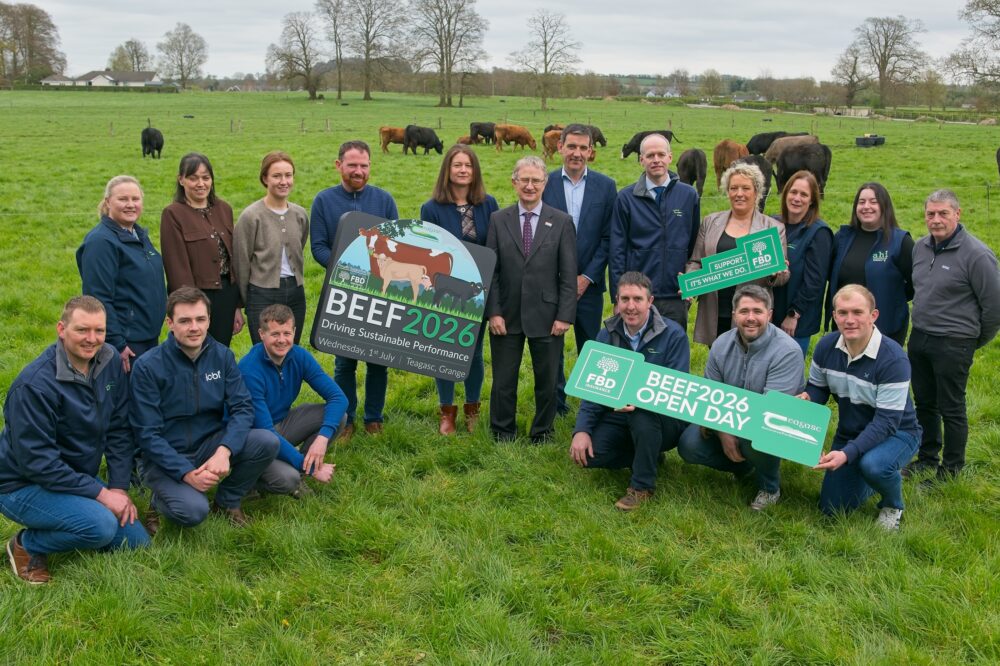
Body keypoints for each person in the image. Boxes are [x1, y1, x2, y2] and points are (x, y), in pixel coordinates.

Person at [0, 296, 149, 584]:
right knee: (102, 527)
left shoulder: (109, 362)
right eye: (82, 330)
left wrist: (117, 487)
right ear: (61, 329)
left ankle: (77, 519)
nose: (92, 339)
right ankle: (26, 545)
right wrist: (102, 495)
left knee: (135, 542)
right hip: (21, 483)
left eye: (99, 331)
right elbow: (39, 464)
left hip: (75, 474)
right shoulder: (33, 386)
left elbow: (119, 430)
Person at [130, 288, 279, 532]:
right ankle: (157, 499)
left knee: (266, 441)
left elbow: (242, 408)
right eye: (185, 321)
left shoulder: (222, 356)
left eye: (200, 319)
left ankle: (227, 501)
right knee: (193, 512)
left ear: (209, 320)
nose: (194, 327)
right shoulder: (148, 367)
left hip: (210, 444)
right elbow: (147, 435)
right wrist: (185, 472)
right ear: (170, 323)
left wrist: (224, 450)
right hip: (165, 454)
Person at [798, 285, 920, 530]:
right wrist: (807, 398)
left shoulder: (893, 359)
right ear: (834, 317)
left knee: (874, 465)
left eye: (857, 312)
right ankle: (870, 473)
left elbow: (886, 422)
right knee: (831, 509)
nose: (850, 320)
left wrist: (846, 454)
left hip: (898, 432)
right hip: (850, 430)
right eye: (842, 313)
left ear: (873, 316)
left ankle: (892, 504)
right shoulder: (825, 347)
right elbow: (819, 388)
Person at [677, 285, 804, 511]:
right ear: (734, 314)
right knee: (689, 445)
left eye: (758, 311)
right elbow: (710, 396)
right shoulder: (720, 344)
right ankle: (744, 467)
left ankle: (769, 486)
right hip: (728, 420)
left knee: (755, 439)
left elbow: (771, 413)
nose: (751, 318)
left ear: (770, 314)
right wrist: (722, 431)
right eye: (744, 311)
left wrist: (729, 428)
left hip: (770, 425)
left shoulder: (788, 351)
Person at [570, 272, 689, 510]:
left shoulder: (674, 335)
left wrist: (640, 399)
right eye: (625, 299)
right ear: (616, 300)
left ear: (650, 301)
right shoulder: (607, 334)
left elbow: (677, 389)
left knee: (642, 416)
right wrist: (581, 430)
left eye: (638, 299)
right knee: (590, 457)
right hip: (619, 414)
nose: (631, 306)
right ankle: (648, 456)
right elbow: (593, 389)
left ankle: (641, 486)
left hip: (660, 416)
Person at [903, 189, 1000, 483]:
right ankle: (928, 457)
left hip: (954, 342)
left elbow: (994, 307)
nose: (936, 220)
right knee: (925, 402)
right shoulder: (919, 248)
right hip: (919, 337)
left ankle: (952, 469)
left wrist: (969, 341)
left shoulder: (977, 255)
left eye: (943, 213)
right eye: (930, 214)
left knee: (952, 407)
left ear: (957, 214)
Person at [310, 141, 399, 439]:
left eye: (364, 165)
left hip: (379, 292)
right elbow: (318, 247)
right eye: (352, 165)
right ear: (339, 166)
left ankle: (374, 417)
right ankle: (346, 420)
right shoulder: (323, 201)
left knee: (378, 360)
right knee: (344, 362)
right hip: (342, 291)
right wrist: (346, 270)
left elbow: (395, 246)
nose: (358, 171)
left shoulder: (384, 200)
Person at [486, 156, 577, 442]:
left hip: (548, 314)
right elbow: (492, 271)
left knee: (547, 380)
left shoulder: (561, 221)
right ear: (514, 182)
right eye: (523, 180)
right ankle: (502, 430)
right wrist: (493, 312)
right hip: (507, 313)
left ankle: (542, 431)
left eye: (535, 180)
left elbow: (568, 272)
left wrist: (565, 315)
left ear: (544, 184)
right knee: (503, 379)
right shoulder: (498, 220)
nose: (529, 186)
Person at [419, 145, 499, 434]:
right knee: (445, 350)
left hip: (477, 291)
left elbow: (495, 247)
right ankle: (447, 411)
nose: (463, 170)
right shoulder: (431, 208)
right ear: (447, 171)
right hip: (445, 287)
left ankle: (473, 409)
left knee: (474, 353)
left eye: (468, 165)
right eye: (457, 165)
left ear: (474, 171)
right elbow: (429, 251)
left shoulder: (489, 204)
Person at [542, 124, 618, 416]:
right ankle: (556, 404)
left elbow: (609, 237)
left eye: (582, 148)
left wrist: (587, 277)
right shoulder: (544, 184)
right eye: (570, 146)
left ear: (591, 151)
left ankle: (593, 405)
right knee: (553, 348)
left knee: (591, 346)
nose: (576, 153)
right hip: (550, 283)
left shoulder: (606, 186)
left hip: (590, 283)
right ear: (559, 147)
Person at [239, 304, 347, 497]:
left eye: (287, 333)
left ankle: (301, 468)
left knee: (338, 417)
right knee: (288, 479)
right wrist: (312, 469)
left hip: (282, 424)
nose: (282, 340)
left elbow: (338, 397)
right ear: (261, 334)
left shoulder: (299, 356)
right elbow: (265, 430)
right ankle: (247, 482)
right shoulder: (249, 370)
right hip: (254, 438)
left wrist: (322, 439)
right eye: (275, 334)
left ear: (295, 332)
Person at [685, 163, 789, 347]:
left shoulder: (772, 228)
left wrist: (776, 274)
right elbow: (696, 261)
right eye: (733, 188)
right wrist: (692, 279)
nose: (739, 193)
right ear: (727, 191)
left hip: (751, 314)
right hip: (716, 311)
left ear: (756, 192)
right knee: (717, 365)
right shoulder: (710, 222)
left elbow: (782, 275)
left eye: (745, 188)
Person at [609, 133, 700, 330]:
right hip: (637, 295)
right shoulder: (626, 198)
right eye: (650, 156)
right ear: (641, 160)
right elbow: (617, 250)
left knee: (672, 354)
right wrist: (618, 298)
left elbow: (694, 245)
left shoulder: (688, 195)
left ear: (670, 157)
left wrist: (691, 283)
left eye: (661, 154)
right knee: (636, 354)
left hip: (675, 294)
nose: (656, 160)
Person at [77, 175, 166, 372]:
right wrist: (117, 343)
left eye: (135, 199)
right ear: (108, 202)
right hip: (127, 343)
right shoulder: (101, 242)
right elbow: (98, 297)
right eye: (123, 199)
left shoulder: (138, 235)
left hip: (148, 336)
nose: (130, 204)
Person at [160, 152, 244, 347]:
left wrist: (236, 306)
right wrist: (190, 308)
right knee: (194, 351)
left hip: (226, 296)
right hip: (196, 294)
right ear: (181, 180)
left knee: (220, 351)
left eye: (206, 178)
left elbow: (233, 260)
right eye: (193, 178)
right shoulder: (173, 214)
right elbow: (176, 266)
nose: (201, 184)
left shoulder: (224, 209)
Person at [233, 151, 309, 345]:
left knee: (290, 349)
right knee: (265, 352)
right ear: (265, 178)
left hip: (295, 292)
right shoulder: (251, 217)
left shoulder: (300, 215)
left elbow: (300, 245)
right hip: (261, 294)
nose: (284, 181)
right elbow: (241, 262)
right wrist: (242, 303)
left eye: (288, 175)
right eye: (277, 176)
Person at [827, 182, 913, 346]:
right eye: (861, 202)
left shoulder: (901, 242)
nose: (867, 207)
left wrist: (892, 299)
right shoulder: (842, 238)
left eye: (873, 202)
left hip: (886, 328)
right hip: (846, 325)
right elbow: (831, 276)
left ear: (884, 206)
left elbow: (914, 284)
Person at [771, 170, 833, 356]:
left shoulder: (818, 232)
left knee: (786, 376)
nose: (797, 198)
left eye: (804, 194)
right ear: (785, 193)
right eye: (793, 192)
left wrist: (793, 314)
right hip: (767, 315)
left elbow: (815, 281)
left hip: (795, 321)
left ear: (812, 200)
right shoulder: (771, 223)